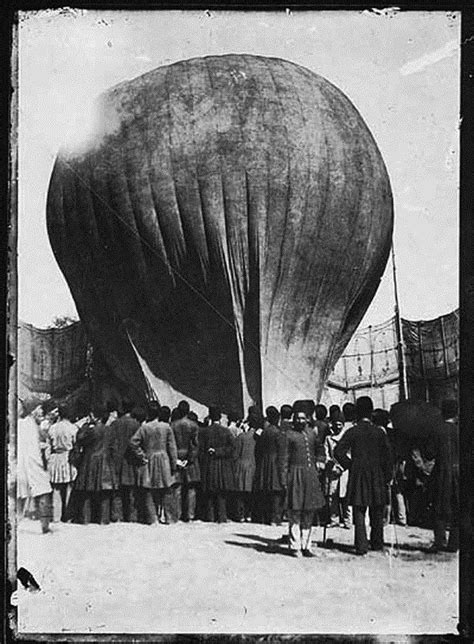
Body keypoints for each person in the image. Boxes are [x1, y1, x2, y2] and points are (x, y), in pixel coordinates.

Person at [334, 396, 392, 556]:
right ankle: (377, 543)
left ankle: (361, 546)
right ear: (371, 412)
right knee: (377, 508)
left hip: (358, 473)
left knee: (359, 509)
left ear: (357, 412)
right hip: (377, 474)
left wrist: (349, 464)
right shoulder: (379, 432)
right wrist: (387, 476)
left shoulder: (352, 431)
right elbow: (388, 457)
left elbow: (338, 451)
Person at [279, 411, 325, 557]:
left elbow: (320, 449)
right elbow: (283, 459)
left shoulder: (312, 433)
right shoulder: (288, 435)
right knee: (295, 512)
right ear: (294, 419)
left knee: (309, 512)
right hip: (295, 475)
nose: (300, 420)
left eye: (303, 418)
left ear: (307, 419)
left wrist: (321, 460)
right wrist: (283, 478)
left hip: (310, 476)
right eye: (297, 418)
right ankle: (295, 546)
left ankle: (307, 546)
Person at [130, 402, 178, 525]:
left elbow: (133, 443)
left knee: (149, 490)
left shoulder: (144, 428)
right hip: (164, 459)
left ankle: (152, 518)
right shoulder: (166, 427)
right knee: (166, 489)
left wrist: (141, 456)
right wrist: (173, 464)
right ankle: (170, 518)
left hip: (149, 458)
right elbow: (172, 448)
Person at [425, 398, 459, 552]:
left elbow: (429, 454)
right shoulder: (460, 430)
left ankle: (440, 541)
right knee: (458, 507)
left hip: (441, 472)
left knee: (438, 506)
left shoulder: (436, 430)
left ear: (442, 412)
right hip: (459, 473)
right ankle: (455, 543)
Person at [17, 397, 53, 534]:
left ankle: (15, 522)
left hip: (21, 464)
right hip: (32, 464)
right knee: (44, 491)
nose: (42, 411)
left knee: (20, 496)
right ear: (32, 410)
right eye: (39, 408)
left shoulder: (22, 424)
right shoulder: (31, 424)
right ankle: (45, 526)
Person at [200, 406, 235, 523]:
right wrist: (219, 451)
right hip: (222, 465)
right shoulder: (226, 431)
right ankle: (222, 517)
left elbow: (200, 449)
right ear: (220, 417)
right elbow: (232, 449)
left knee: (209, 493)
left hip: (209, 464)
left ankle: (210, 517)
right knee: (221, 493)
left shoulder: (204, 432)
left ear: (210, 416)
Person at [109, 399, 140, 522]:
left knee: (117, 490)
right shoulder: (136, 424)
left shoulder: (115, 424)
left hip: (117, 459)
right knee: (132, 490)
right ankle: (132, 516)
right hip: (131, 460)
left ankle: (117, 516)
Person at [254, 406, 285, 525]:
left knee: (266, 490)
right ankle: (275, 518)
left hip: (264, 461)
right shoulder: (278, 433)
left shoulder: (264, 432)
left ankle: (265, 518)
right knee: (276, 490)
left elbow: (259, 448)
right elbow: (282, 451)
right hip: (275, 461)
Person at [47, 403, 78, 522]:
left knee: (56, 488)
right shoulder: (73, 428)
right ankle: (67, 515)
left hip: (55, 457)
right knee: (69, 486)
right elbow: (76, 445)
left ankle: (56, 516)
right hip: (68, 457)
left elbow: (49, 446)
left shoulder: (52, 428)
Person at [171, 401, 201, 522]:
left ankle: (177, 514)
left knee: (177, 487)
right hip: (190, 459)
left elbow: (171, 444)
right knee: (191, 488)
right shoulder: (193, 425)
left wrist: (176, 459)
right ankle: (190, 515)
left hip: (177, 456)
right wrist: (190, 459)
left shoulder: (172, 425)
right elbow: (195, 445)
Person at [232, 416, 257, 523]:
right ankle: (249, 514)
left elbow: (235, 454)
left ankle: (240, 514)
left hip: (241, 465)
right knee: (250, 493)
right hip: (253, 465)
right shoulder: (257, 437)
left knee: (240, 492)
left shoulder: (241, 436)